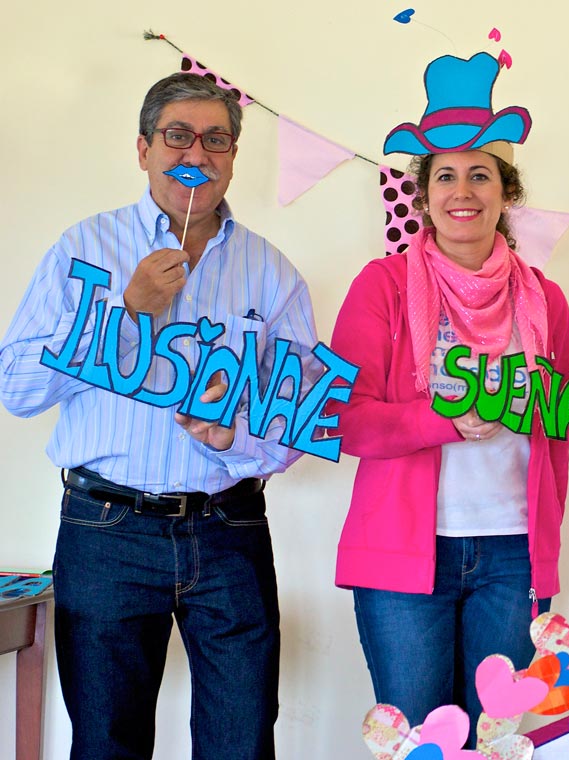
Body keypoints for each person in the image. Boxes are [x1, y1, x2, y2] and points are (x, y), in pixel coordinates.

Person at [0, 73, 319, 759]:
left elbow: (300, 419)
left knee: (241, 741)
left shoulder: (272, 273)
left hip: (230, 529)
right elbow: (17, 387)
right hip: (105, 531)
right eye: (178, 136)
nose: (195, 154)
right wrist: (128, 312)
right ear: (144, 149)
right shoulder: (83, 248)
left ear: (233, 156)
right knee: (106, 741)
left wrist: (236, 436)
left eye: (215, 140)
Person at [330, 51, 569, 745]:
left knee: (493, 743)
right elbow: (343, 419)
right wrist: (440, 418)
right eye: (445, 175)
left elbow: (557, 433)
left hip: (513, 554)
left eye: (480, 174)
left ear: (506, 192)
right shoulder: (381, 287)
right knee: (420, 744)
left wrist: (545, 546)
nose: (462, 191)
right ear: (423, 193)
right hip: (405, 550)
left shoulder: (547, 301)